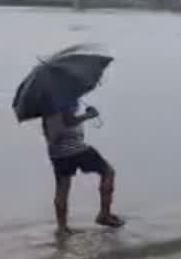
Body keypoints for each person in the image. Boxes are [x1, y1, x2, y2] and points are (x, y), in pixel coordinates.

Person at [41, 96, 124, 234]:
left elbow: (52, 132)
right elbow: (68, 120)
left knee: (62, 188)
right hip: (77, 149)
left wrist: (82, 114)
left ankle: (62, 228)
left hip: (58, 154)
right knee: (108, 172)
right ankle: (104, 215)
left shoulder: (47, 107)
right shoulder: (62, 98)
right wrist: (88, 115)